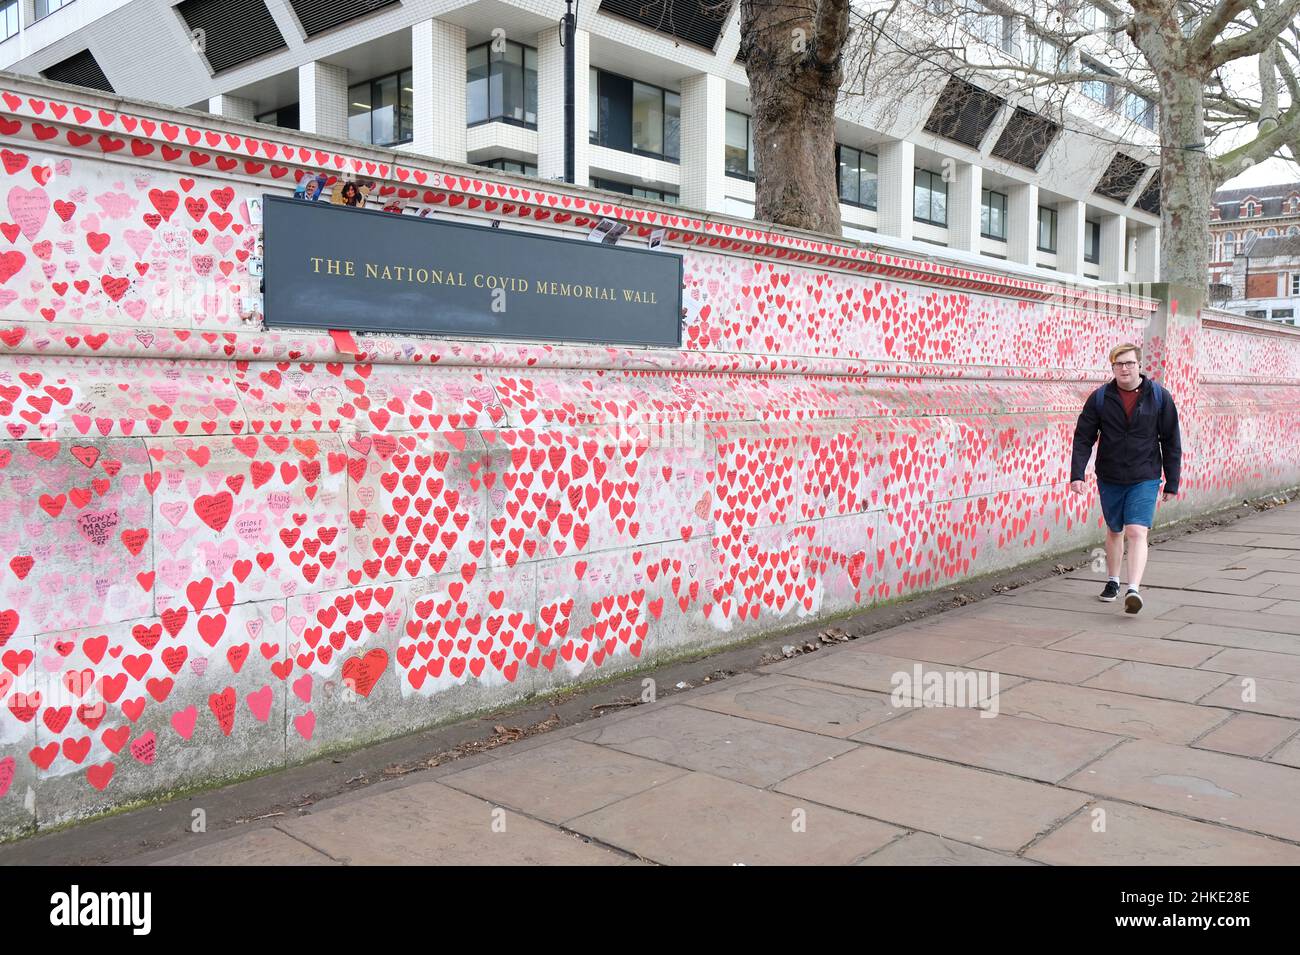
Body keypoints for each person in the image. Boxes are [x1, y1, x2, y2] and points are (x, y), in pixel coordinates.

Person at [1069, 343, 1182, 614]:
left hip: (1145, 474)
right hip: (1110, 474)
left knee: (1136, 531)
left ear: (1139, 366)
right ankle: (1113, 580)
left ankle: (1133, 589)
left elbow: (1171, 440)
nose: (1124, 368)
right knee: (1115, 529)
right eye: (1119, 364)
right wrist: (1077, 474)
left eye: (1129, 363)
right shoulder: (1099, 398)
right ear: (1113, 368)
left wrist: (1172, 481)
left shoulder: (1159, 397)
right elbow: (1083, 437)